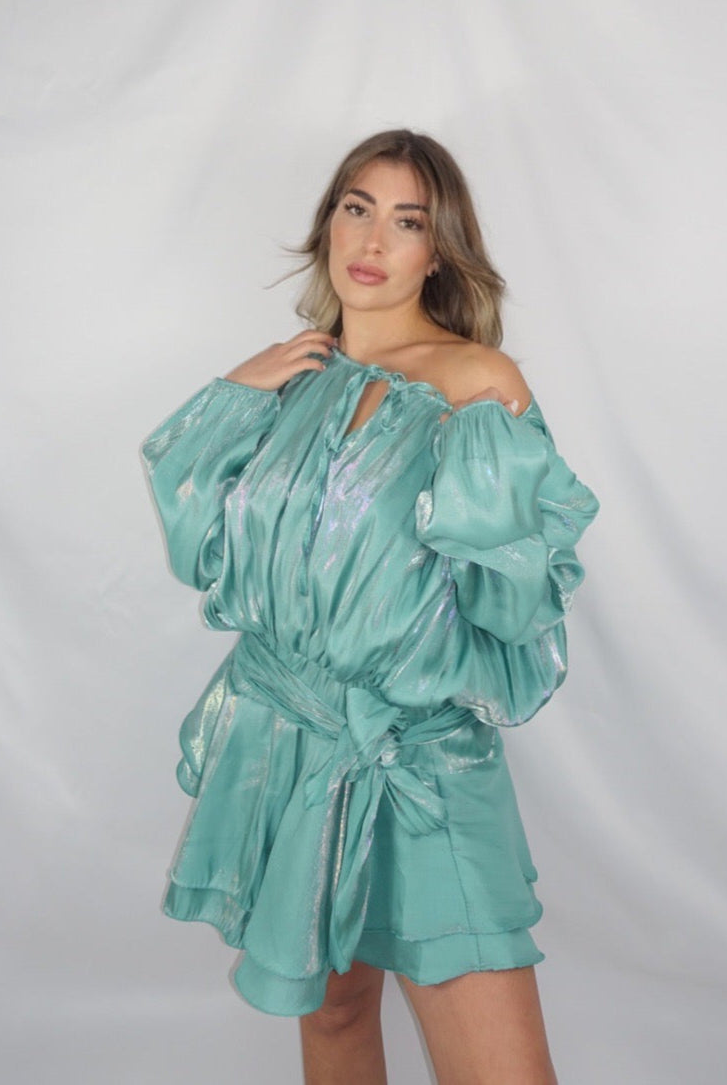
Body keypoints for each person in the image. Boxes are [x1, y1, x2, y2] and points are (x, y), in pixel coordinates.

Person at [142, 128, 599, 1084]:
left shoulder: (475, 383)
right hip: (284, 741)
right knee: (336, 1010)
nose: (374, 240)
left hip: (412, 762)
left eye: (408, 221)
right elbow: (206, 547)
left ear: (439, 253)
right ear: (327, 223)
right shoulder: (293, 379)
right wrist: (235, 393)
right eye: (357, 208)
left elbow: (513, 603)